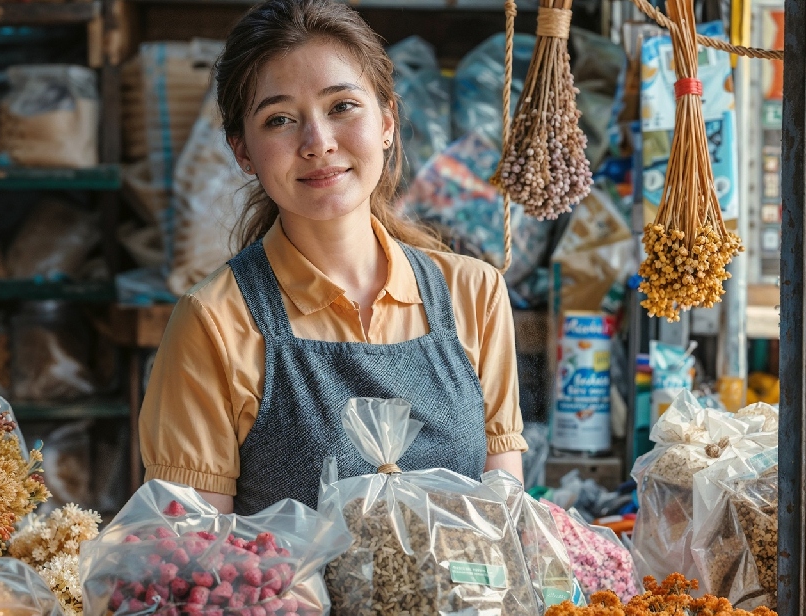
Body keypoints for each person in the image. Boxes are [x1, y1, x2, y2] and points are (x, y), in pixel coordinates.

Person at [139, 0, 527, 515]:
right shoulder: (215, 322)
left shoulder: (474, 295)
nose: (318, 143)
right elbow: (200, 559)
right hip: (289, 600)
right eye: (279, 119)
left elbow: (506, 516)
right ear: (243, 152)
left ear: (387, 121)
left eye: (342, 106)